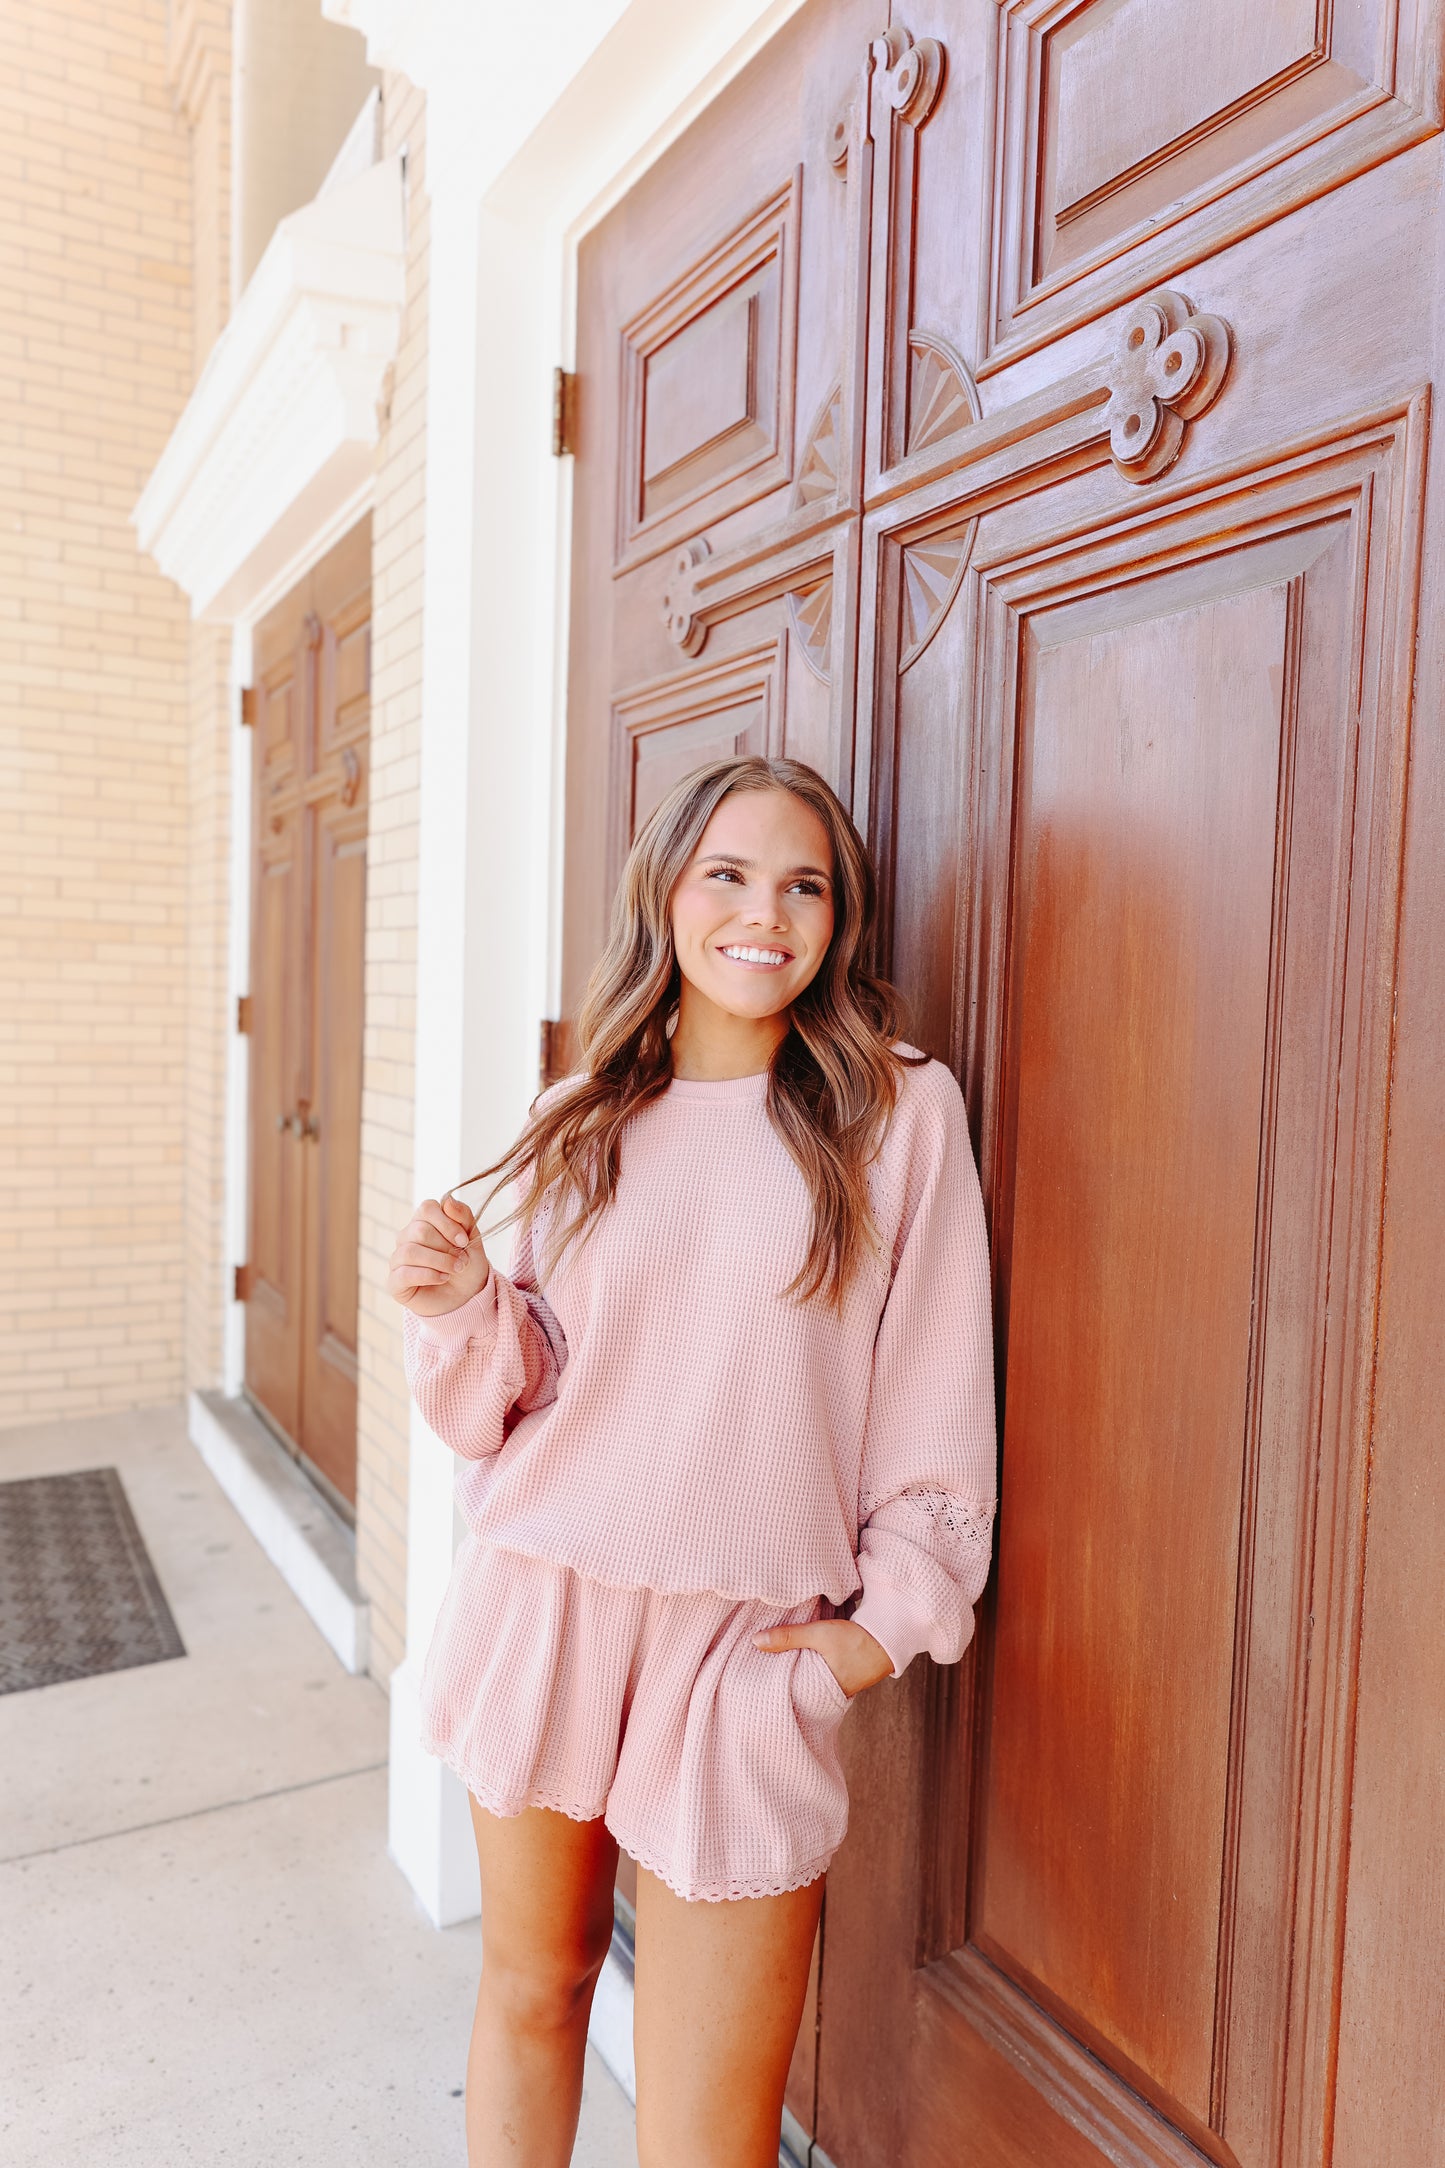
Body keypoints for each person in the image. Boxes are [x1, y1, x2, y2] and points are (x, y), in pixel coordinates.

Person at [387, 755, 996, 2168]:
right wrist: (460, 1310)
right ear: (665, 892)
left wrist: (874, 1633)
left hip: (745, 1650)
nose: (762, 913)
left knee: (708, 2138)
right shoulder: (579, 1117)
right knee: (534, 1992)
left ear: (837, 922)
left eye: (803, 884)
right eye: (726, 872)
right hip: (546, 1605)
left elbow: (936, 1394)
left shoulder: (897, 1117)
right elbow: (507, 1397)